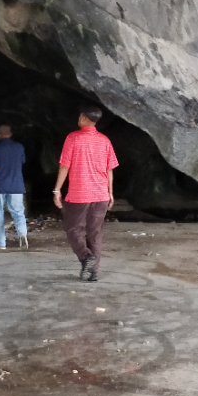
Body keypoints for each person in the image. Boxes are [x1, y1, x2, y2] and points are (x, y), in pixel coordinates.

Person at [53, 105, 118, 281]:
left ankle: (85, 257)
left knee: (73, 230)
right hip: (101, 195)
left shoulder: (73, 138)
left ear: (83, 118)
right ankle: (92, 273)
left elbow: (64, 166)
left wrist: (57, 189)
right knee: (95, 233)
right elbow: (109, 169)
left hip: (79, 194)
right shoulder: (105, 141)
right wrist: (110, 192)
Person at [0, 124, 29, 250]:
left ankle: (0, 244)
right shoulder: (19, 147)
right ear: (10, 134)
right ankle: (22, 233)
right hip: (16, 185)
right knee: (18, 212)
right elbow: (20, 163)